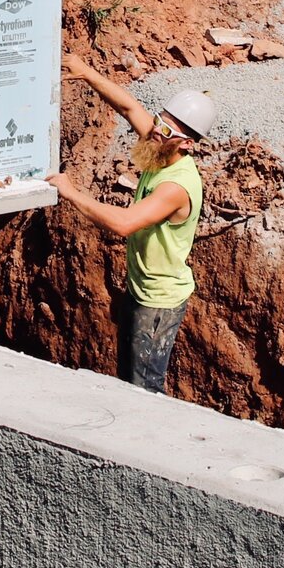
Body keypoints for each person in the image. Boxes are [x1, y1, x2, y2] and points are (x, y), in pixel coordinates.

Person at [46, 57, 214, 394]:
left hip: (158, 303)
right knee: (130, 378)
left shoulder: (176, 187)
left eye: (165, 130)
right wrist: (87, 72)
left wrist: (70, 192)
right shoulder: (160, 149)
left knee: (144, 388)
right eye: (158, 122)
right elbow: (127, 106)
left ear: (187, 143)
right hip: (141, 292)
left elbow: (123, 224)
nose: (154, 130)